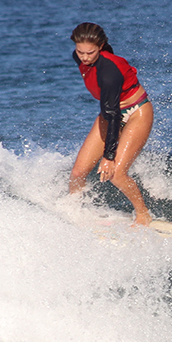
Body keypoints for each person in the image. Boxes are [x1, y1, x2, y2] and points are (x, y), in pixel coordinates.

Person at [68, 22, 153, 225]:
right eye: (81, 52)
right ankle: (74, 213)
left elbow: (113, 114)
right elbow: (109, 112)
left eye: (90, 52)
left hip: (135, 112)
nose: (85, 58)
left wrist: (108, 156)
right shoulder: (80, 57)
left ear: (101, 46)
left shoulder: (109, 73)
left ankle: (143, 214)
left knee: (116, 174)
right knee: (78, 173)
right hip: (111, 112)